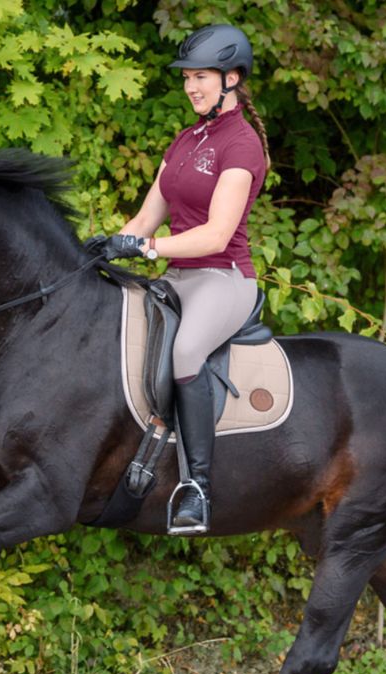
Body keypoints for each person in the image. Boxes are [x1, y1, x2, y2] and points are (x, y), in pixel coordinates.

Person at [94, 23, 270, 534]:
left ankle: (197, 488)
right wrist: (112, 245)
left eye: (202, 77)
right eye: (188, 77)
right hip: (177, 275)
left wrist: (147, 249)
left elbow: (216, 235)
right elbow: (146, 218)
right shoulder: (186, 138)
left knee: (187, 351)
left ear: (232, 79)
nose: (192, 87)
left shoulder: (243, 146)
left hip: (223, 278)